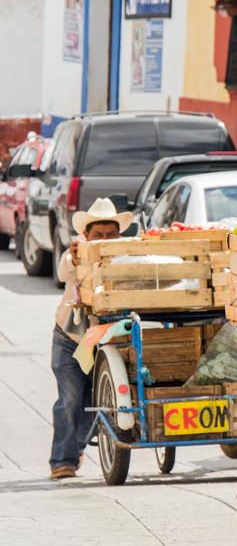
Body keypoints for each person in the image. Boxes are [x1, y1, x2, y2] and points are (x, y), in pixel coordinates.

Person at [50, 198, 132, 479]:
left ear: (118, 236)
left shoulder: (123, 257)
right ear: (85, 236)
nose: (104, 240)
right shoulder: (76, 254)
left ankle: (75, 446)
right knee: (70, 400)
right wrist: (73, 257)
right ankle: (63, 460)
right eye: (98, 235)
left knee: (94, 400)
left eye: (111, 235)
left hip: (103, 342)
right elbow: (63, 270)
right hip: (70, 338)